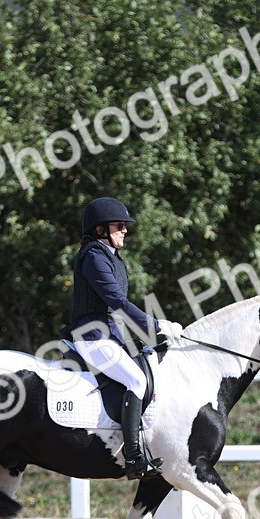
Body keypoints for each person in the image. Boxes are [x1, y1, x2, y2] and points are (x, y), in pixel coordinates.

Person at [62, 197, 184, 480]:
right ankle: (134, 457)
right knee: (137, 380)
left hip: (109, 335)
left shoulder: (111, 257)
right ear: (101, 229)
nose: (125, 230)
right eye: (119, 225)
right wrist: (154, 325)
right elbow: (116, 301)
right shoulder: (93, 256)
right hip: (91, 336)